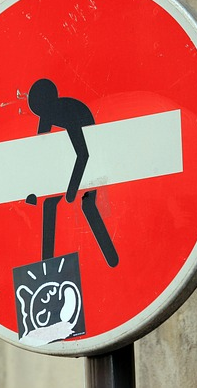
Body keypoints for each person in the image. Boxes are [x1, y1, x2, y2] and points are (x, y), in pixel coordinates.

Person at [26, 78, 118, 267]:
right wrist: (34, 188)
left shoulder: (70, 113)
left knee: (88, 204)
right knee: (49, 204)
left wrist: (71, 189)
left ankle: (113, 261)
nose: (42, 116)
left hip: (92, 156)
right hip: (70, 158)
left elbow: (84, 154)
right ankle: (47, 269)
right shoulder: (48, 113)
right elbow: (40, 149)